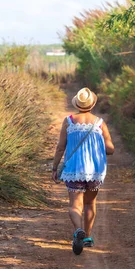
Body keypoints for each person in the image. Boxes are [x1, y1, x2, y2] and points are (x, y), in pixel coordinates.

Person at [52, 87, 115, 255]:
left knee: (74, 205)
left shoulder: (69, 121)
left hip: (74, 169)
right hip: (94, 171)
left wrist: (54, 167)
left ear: (77, 104)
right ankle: (87, 236)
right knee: (89, 204)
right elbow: (110, 149)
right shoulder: (99, 123)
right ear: (92, 104)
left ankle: (78, 230)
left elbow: (60, 148)